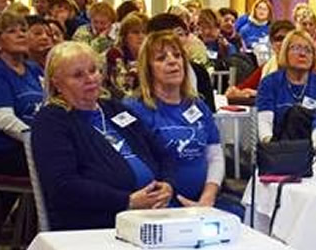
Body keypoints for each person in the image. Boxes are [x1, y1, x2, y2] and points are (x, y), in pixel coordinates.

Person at [32, 42, 174, 230]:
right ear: (57, 83)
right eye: (78, 75)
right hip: (99, 222)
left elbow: (160, 152)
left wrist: (167, 185)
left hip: (150, 213)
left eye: (93, 70)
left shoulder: (114, 109)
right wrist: (127, 201)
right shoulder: (51, 121)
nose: (90, 79)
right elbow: (63, 186)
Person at [125, 32, 224, 208]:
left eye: (177, 55)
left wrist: (208, 198)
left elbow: (214, 156)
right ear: (148, 69)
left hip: (203, 202)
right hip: (157, 204)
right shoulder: (134, 109)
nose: (173, 61)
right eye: (161, 58)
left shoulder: (198, 105)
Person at [256, 29, 316, 142]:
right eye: (296, 48)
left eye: (308, 50)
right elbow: (265, 122)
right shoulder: (270, 83)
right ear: (285, 53)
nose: (302, 54)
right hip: (279, 146)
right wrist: (270, 146)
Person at [0, 11, 44, 179]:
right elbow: (4, 120)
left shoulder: (34, 68)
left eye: (23, 30)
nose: (20, 34)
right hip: (8, 150)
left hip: (36, 144)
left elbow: (50, 104)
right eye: (11, 31)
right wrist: (36, 139)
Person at [146, 14, 215, 111]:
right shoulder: (136, 102)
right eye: (161, 58)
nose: (177, 40)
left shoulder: (199, 72)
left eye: (181, 34)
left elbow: (210, 113)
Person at [226, 20, 294, 98]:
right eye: (279, 39)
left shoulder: (300, 67)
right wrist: (235, 92)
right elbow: (244, 87)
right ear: (271, 42)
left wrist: (256, 93)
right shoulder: (267, 66)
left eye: (288, 39)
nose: (284, 42)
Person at [105, 12, 148, 100]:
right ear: (124, 36)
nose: (141, 36)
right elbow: (123, 86)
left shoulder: (150, 54)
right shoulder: (115, 53)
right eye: (135, 32)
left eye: (144, 32)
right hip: (121, 100)